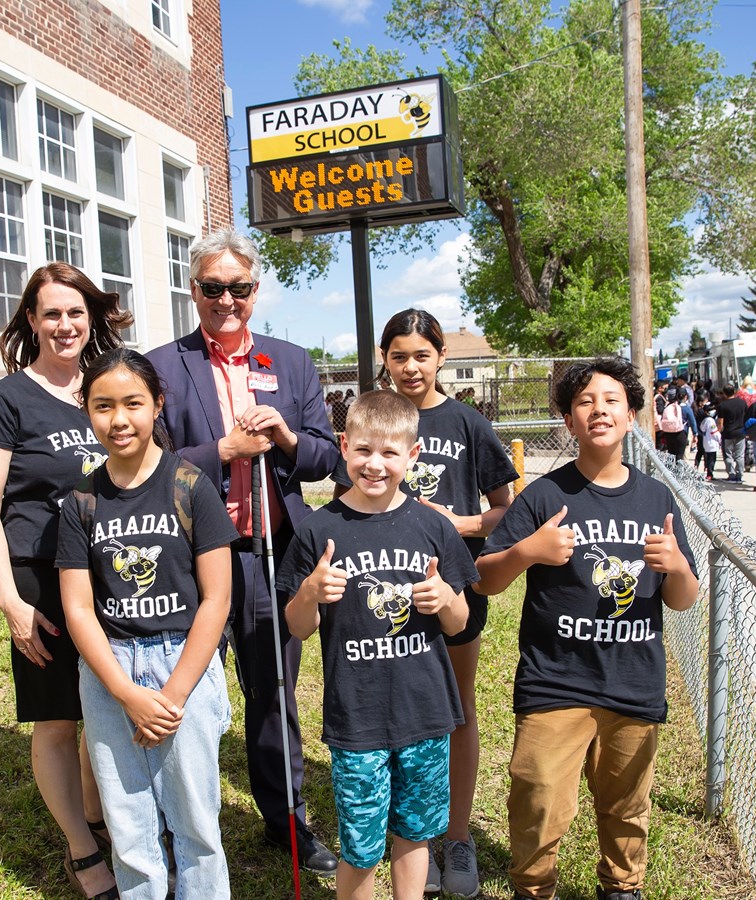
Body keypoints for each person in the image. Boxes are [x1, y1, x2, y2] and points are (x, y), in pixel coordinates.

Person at [146, 227, 342, 873]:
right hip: (192, 557)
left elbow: (325, 457)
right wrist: (221, 452)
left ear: (254, 290)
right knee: (186, 689)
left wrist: (285, 435)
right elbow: (147, 465)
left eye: (237, 288)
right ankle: (178, 823)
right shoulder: (164, 366)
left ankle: (285, 820)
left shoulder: (290, 362)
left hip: (271, 551)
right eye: (211, 288)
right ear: (192, 289)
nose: (225, 300)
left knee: (272, 687)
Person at [472, 356, 699, 900]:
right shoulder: (547, 496)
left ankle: (622, 885)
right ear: (569, 422)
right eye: (584, 402)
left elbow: (684, 600)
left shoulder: (655, 498)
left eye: (611, 400)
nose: (599, 409)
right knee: (538, 792)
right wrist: (528, 551)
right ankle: (534, 885)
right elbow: (484, 579)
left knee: (627, 801)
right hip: (556, 680)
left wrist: (678, 566)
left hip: (632, 681)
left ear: (632, 415)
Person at [331, 308, 517, 896]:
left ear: (441, 356)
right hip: (381, 596)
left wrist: (457, 525)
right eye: (398, 355)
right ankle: (414, 844)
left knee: (453, 707)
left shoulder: (467, 423)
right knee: (400, 712)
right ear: (384, 359)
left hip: (447, 587)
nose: (410, 367)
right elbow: (347, 499)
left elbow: (506, 510)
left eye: (421, 355)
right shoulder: (374, 419)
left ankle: (454, 837)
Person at [0, 262, 131, 899]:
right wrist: (9, 600)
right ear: (31, 321)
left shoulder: (106, 386)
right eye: (51, 313)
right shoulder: (6, 400)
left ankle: (99, 813)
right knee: (59, 719)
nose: (65, 324)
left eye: (76, 312)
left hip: (112, 573)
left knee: (104, 707)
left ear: (93, 320)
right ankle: (83, 850)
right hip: (40, 578)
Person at [277, 389, 479, 900]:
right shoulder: (318, 531)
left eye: (390, 453)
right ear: (344, 446)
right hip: (357, 720)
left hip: (426, 714)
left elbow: (460, 623)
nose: (375, 464)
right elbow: (297, 626)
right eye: (364, 450)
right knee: (362, 846)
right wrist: (309, 592)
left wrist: (445, 600)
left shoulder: (433, 526)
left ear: (412, 456)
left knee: (414, 836)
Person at [57, 349, 238, 899]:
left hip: (183, 663)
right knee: (129, 826)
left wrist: (174, 694)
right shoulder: (81, 501)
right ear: (85, 411)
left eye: (133, 403)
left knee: (196, 825)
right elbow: (78, 609)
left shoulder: (191, 486)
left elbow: (216, 599)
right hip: (111, 671)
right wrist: (124, 692)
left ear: (157, 404)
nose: (119, 420)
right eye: (102, 405)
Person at [715, 384, 749, 484]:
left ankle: (731, 474)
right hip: (741, 432)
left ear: (724, 393)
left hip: (728, 433)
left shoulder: (722, 405)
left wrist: (719, 431)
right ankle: (739, 475)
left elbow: (720, 421)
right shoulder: (742, 403)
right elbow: (746, 417)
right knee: (740, 455)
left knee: (728, 455)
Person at [656, 387, 688, 461]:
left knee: (671, 456)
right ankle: (679, 472)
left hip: (668, 434)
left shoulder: (667, 407)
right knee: (680, 456)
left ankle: (671, 471)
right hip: (680, 433)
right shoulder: (681, 407)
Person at [698, 403, 721, 481]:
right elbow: (714, 432)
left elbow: (702, 429)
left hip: (706, 442)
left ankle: (708, 472)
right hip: (712, 443)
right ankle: (710, 474)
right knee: (711, 459)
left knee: (708, 458)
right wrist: (720, 439)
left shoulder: (705, 420)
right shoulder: (711, 421)